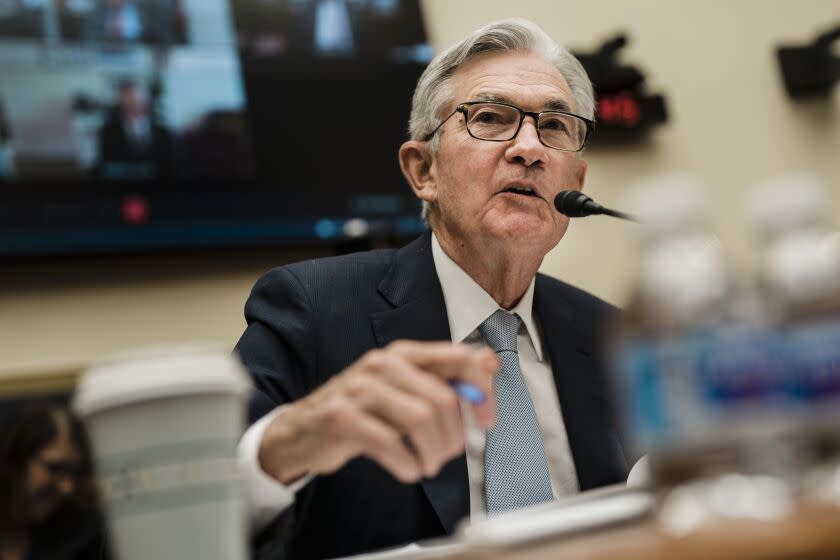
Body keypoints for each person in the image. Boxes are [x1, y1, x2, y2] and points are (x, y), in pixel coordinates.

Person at [235, 18, 629, 559]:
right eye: (491, 118)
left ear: (576, 184)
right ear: (423, 171)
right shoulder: (313, 308)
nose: (530, 148)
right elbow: (204, 503)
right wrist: (293, 441)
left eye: (556, 126)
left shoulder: (614, 335)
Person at [0, 401, 107, 560]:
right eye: (55, 468)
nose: (67, 487)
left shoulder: (85, 536)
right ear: (15, 460)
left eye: (73, 473)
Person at [96, 79, 173, 180]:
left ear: (146, 101)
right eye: (128, 98)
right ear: (120, 102)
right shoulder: (107, 133)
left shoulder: (164, 133)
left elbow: (174, 168)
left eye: (136, 98)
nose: (133, 103)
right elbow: (105, 168)